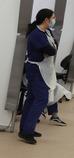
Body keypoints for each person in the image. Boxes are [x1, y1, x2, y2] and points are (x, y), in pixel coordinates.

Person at [20, 9, 69, 144]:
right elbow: (51, 50)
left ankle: (25, 129)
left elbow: (53, 47)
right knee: (41, 99)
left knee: (31, 99)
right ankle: (27, 132)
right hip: (36, 70)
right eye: (53, 17)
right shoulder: (36, 35)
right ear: (46, 20)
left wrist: (51, 48)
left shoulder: (46, 31)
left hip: (43, 69)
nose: (54, 20)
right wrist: (50, 48)